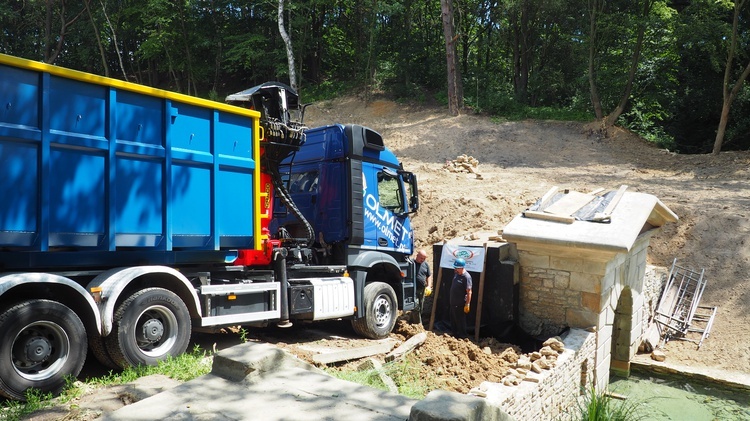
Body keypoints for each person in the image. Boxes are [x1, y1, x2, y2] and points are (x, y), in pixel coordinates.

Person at [449, 258, 472, 338]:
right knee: (453, 321)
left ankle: (463, 337)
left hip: (460, 304)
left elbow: (469, 292)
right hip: (453, 303)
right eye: (455, 267)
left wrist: (467, 304)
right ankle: (454, 336)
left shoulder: (466, 277)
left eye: (457, 268)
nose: (455, 269)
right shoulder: (456, 274)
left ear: (462, 267)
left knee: (460, 321)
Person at [410, 249, 432, 324]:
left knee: (421, 308)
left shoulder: (425, 264)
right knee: (416, 307)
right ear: (417, 256)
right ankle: (418, 325)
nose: (422, 260)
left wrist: (429, 286)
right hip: (413, 289)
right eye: (421, 258)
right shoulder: (411, 263)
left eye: (424, 258)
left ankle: (411, 322)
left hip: (422, 289)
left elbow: (429, 275)